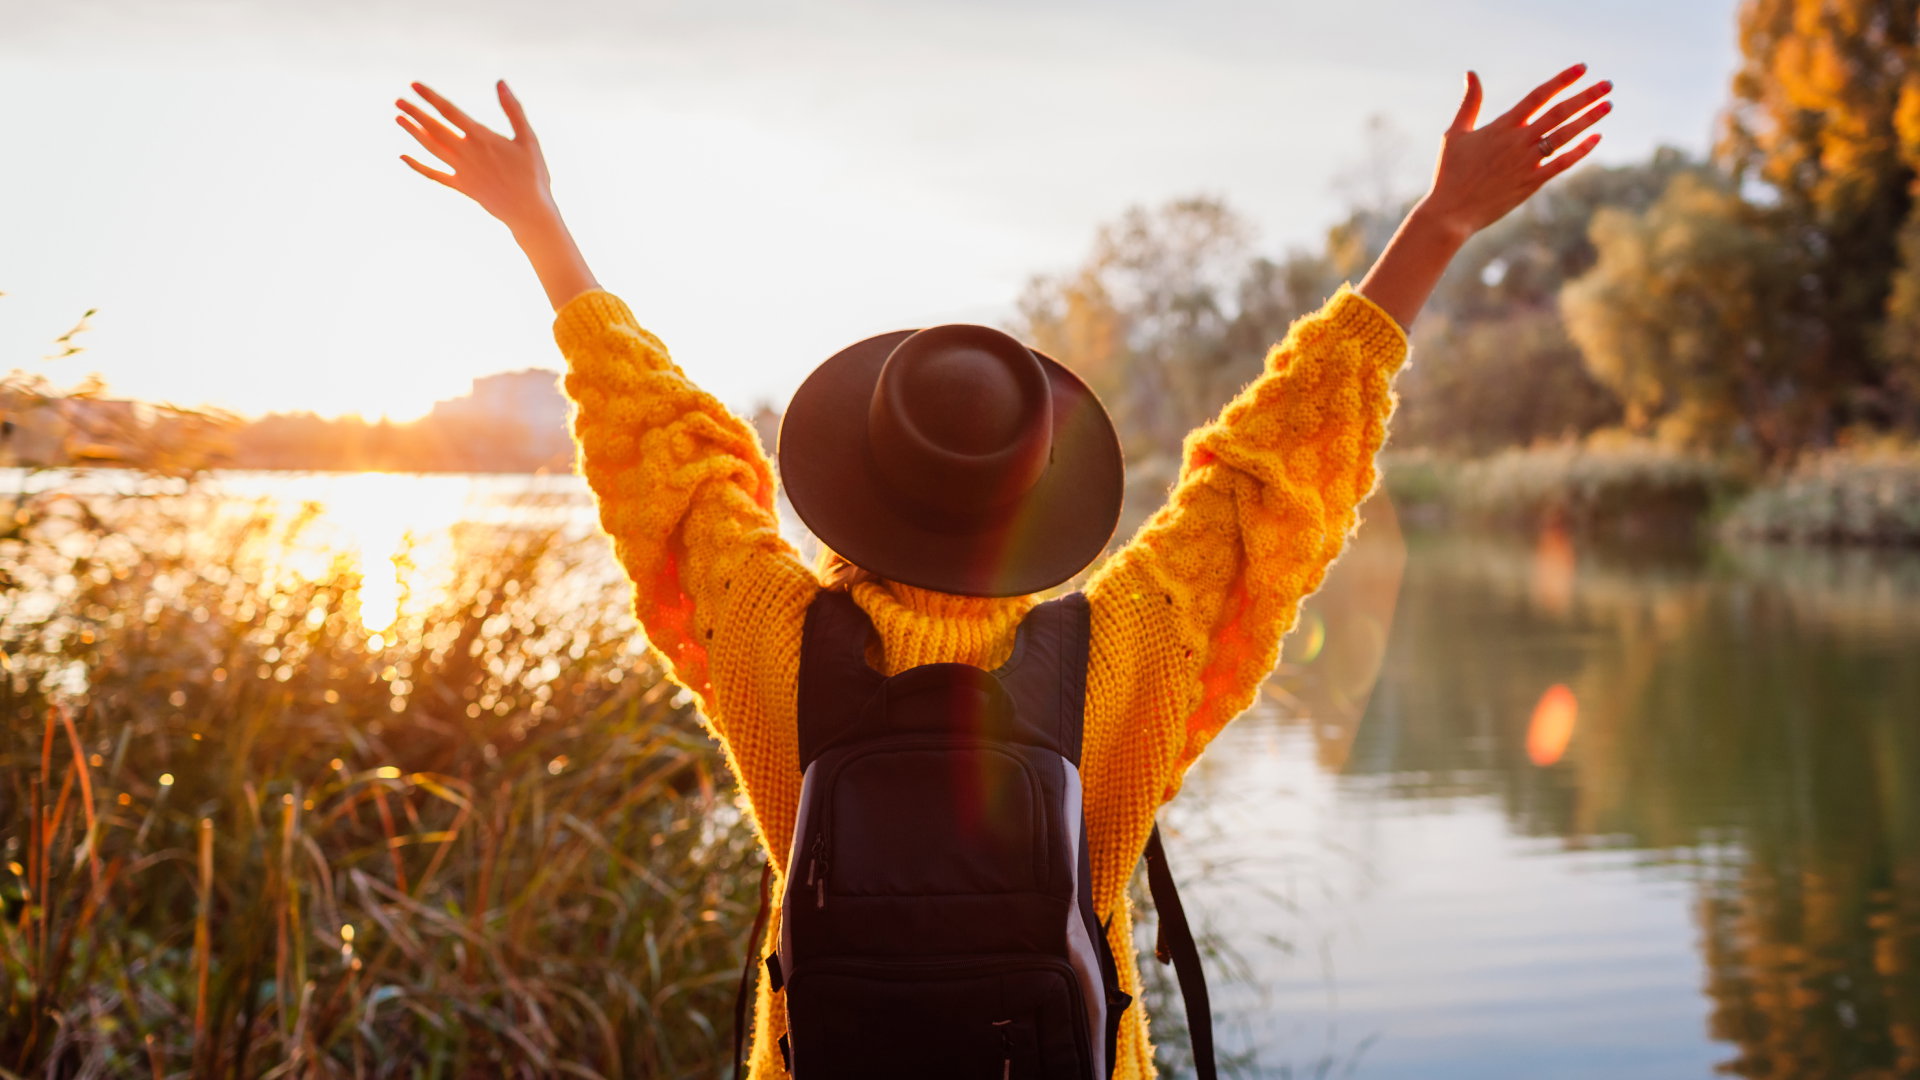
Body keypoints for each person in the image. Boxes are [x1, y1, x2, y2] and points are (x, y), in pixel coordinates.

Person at [395, 63, 1611, 1077]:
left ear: (855, 477)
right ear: (1039, 499)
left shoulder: (771, 632)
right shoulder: (1122, 647)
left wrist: (539, 224)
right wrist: (1437, 226)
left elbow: (657, 442)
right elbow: (1266, 471)